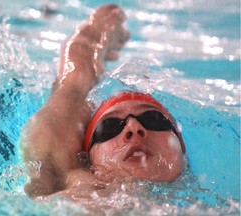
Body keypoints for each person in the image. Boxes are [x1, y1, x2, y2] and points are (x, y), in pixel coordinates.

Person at [20, 4, 187, 200]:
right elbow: (70, 91)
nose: (133, 127)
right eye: (109, 127)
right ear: (89, 161)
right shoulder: (67, 188)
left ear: (181, 144)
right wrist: (91, 38)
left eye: (153, 118)